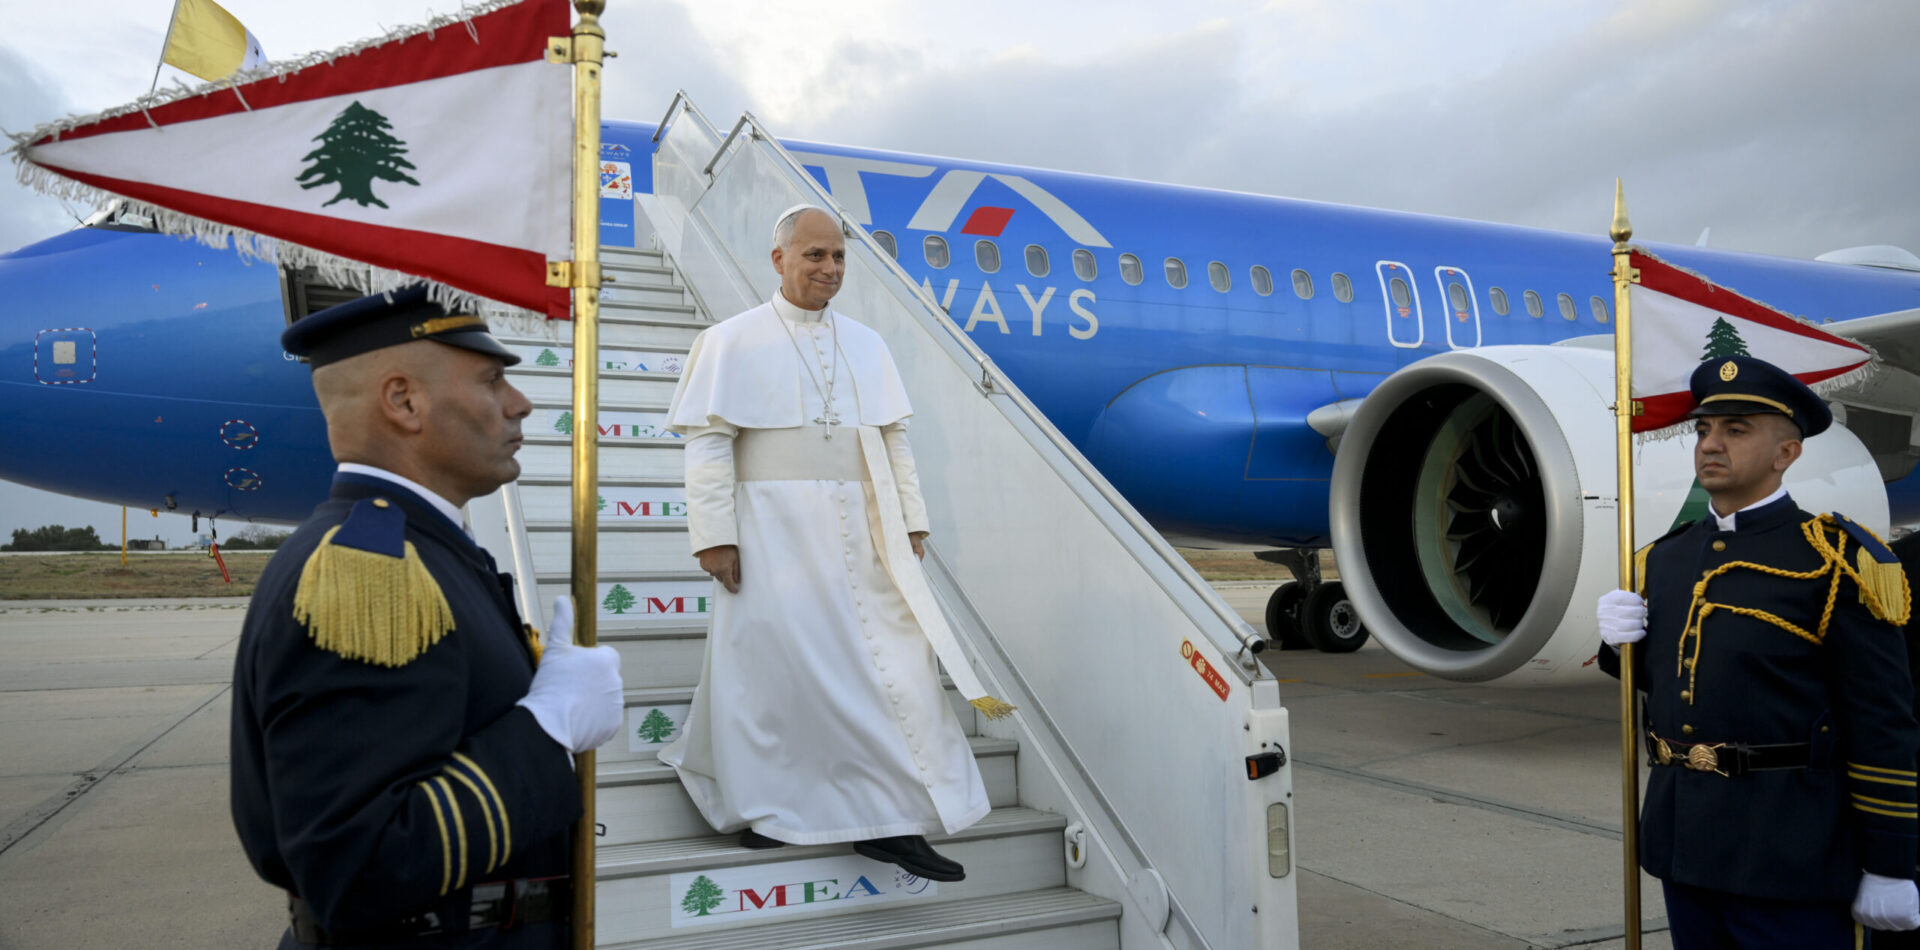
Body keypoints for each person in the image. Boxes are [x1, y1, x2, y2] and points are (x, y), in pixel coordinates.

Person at [230, 287, 625, 948]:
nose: (520, 402)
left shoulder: (426, 549)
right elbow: (359, 864)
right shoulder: (369, 573)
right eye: (492, 379)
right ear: (403, 402)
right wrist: (546, 727)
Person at [659, 204, 1010, 882]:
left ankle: (893, 821)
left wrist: (912, 522)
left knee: (894, 667)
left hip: (863, 525)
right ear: (779, 259)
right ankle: (771, 810)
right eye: (815, 256)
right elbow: (708, 445)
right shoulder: (730, 341)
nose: (829, 269)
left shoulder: (868, 345)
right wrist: (714, 537)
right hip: (770, 528)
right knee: (771, 672)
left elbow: (894, 439)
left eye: (839, 257)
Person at [1596, 355, 1920, 949]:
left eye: (1736, 429)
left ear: (1786, 453)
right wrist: (1616, 646)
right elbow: (1667, 683)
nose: (1710, 444)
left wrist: (1891, 862)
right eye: (1702, 429)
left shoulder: (1834, 561)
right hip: (1685, 848)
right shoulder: (1662, 560)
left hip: (1791, 857)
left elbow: (1883, 724)